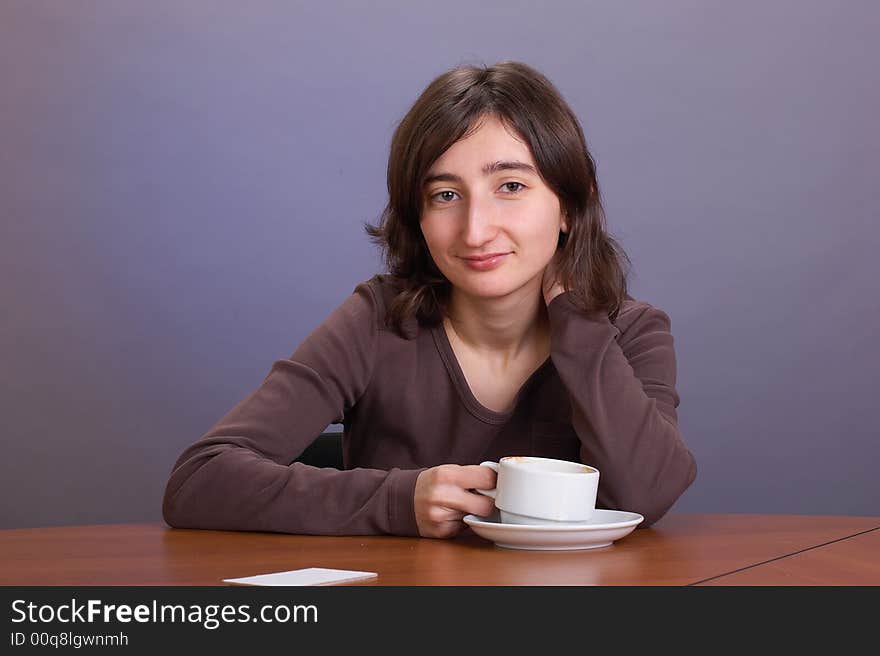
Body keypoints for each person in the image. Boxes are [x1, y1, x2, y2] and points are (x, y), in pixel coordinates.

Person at [162, 60, 697, 539]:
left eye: (510, 186)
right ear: (418, 221)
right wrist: (397, 501)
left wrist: (577, 318)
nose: (476, 230)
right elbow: (199, 480)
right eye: (445, 196)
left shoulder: (632, 331)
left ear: (569, 207)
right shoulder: (378, 321)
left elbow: (646, 493)